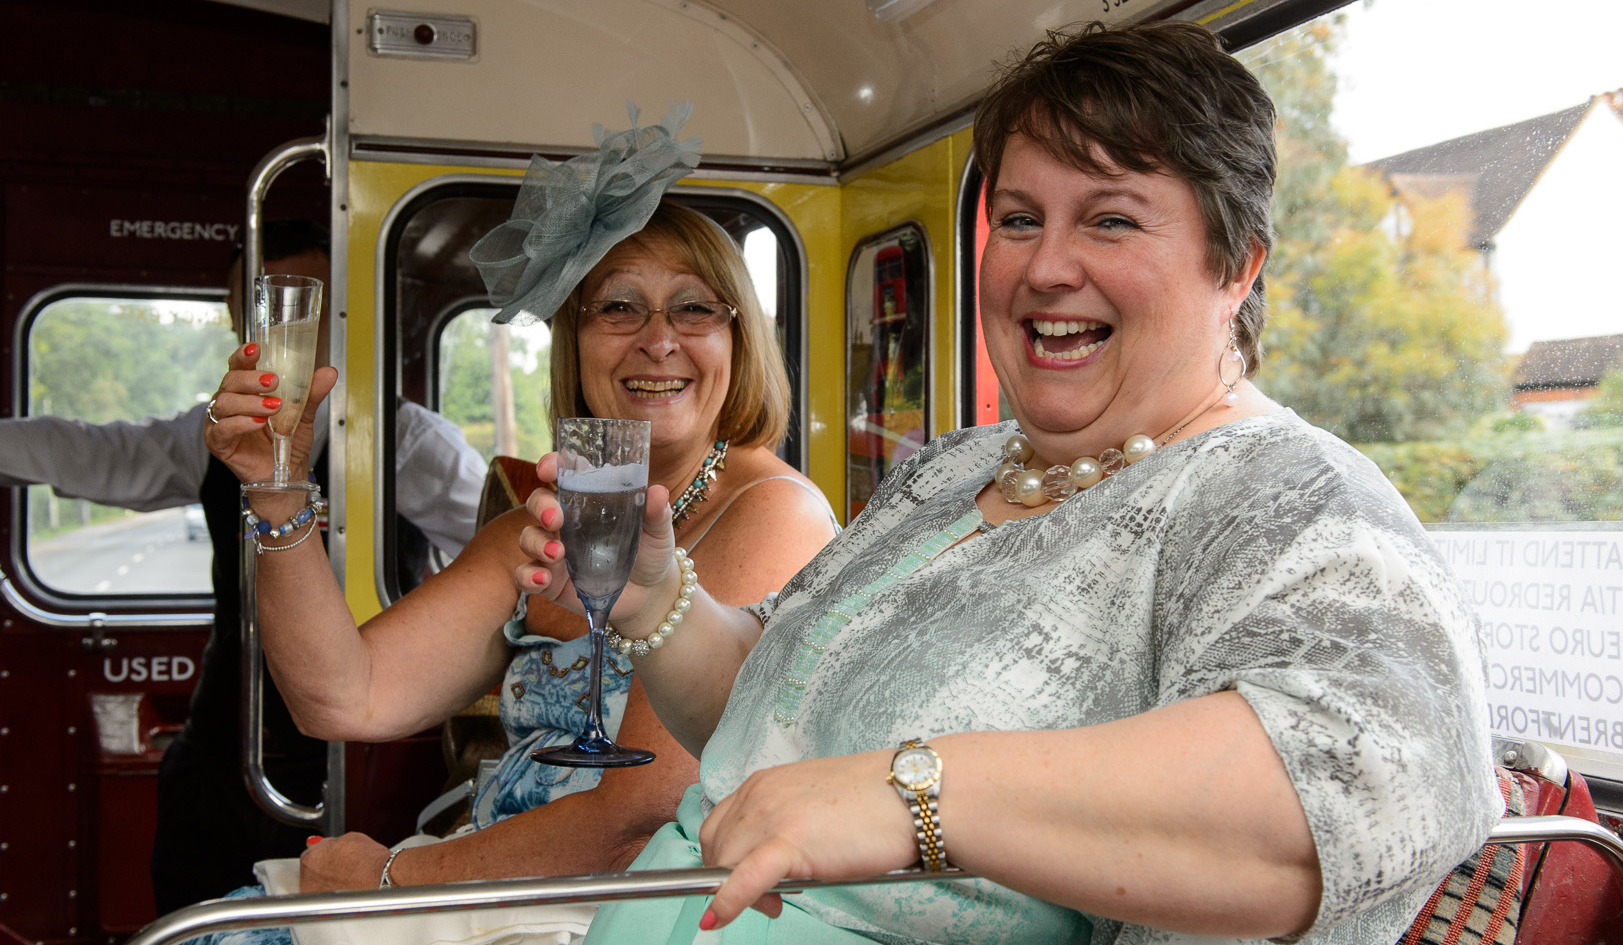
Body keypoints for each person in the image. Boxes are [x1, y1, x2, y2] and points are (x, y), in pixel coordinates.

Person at [516, 23, 1501, 945]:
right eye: (1020, 219)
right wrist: (653, 598)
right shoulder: (958, 468)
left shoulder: (1283, 492)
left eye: (1111, 221)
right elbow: (775, 711)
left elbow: (1372, 783)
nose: (1046, 267)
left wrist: (916, 797)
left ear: (1235, 267)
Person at [195, 106, 839, 943]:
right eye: (618, 308)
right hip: (490, 884)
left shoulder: (773, 512)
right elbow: (338, 692)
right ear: (575, 343)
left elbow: (636, 817)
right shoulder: (543, 521)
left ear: (739, 342)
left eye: (693, 310)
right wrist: (277, 485)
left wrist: (392, 878)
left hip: (620, 911)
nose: (657, 341)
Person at [0, 220, 489, 913]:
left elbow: (499, 538)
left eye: (302, 315)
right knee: (193, 909)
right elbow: (98, 453)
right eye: (257, 314)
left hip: (364, 754)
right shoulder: (212, 434)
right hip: (225, 750)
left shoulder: (405, 440)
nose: (280, 335)